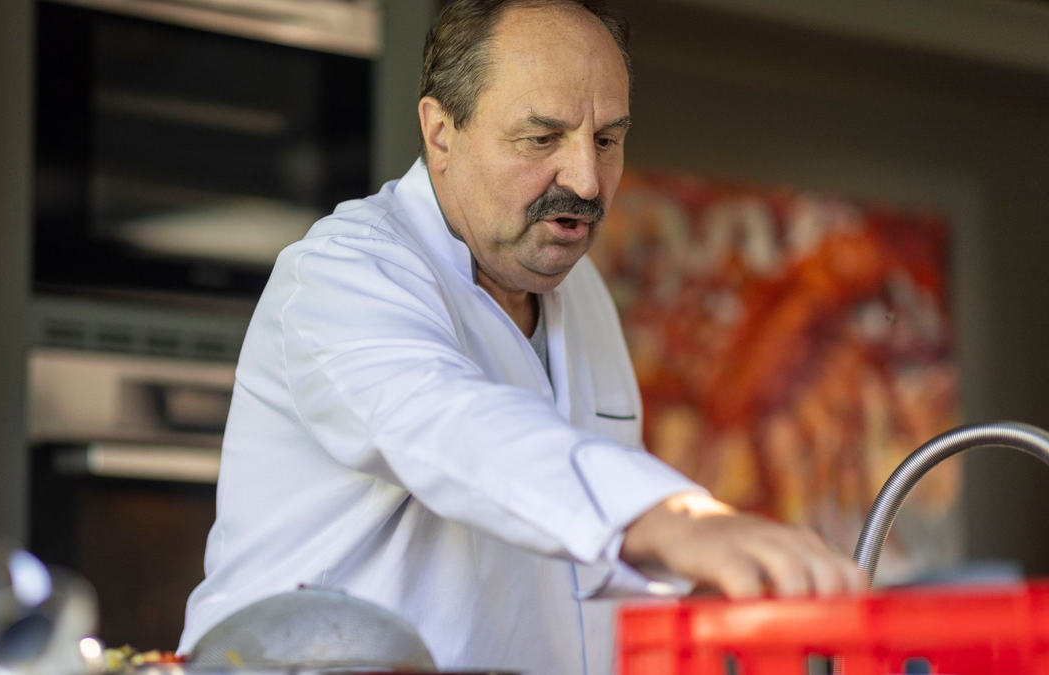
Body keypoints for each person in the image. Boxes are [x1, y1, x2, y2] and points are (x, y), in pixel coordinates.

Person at [179, 1, 865, 673]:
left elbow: (566, 552)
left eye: (607, 139)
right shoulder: (344, 272)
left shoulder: (581, 291)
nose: (587, 180)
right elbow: (456, 429)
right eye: (542, 138)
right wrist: (678, 520)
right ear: (441, 132)